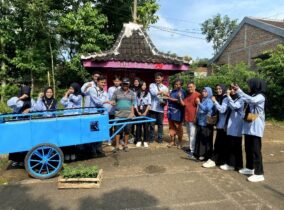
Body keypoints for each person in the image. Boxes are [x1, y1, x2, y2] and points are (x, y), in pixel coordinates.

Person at [232, 78, 267, 182]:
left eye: (250, 85)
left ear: (255, 85)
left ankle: (259, 173)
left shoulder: (260, 96)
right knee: (248, 147)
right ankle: (250, 168)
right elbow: (245, 99)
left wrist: (239, 90)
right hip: (249, 124)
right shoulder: (252, 95)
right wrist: (237, 91)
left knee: (256, 150)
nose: (248, 87)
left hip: (256, 126)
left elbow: (251, 101)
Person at [7, 84, 34, 167]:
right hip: (16, 122)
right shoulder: (15, 98)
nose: (26, 94)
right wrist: (20, 98)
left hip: (26, 122)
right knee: (16, 140)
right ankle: (15, 160)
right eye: (24, 92)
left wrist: (29, 109)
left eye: (27, 92)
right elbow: (9, 104)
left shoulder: (31, 100)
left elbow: (35, 107)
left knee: (25, 141)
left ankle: (24, 160)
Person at [203, 84, 229, 168]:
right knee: (219, 143)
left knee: (220, 144)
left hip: (224, 125)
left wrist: (215, 101)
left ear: (224, 89)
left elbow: (222, 110)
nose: (218, 90)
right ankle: (218, 160)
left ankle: (215, 160)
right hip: (220, 124)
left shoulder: (225, 98)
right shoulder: (220, 98)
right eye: (217, 89)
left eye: (220, 88)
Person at [219, 86, 244, 171]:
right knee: (231, 145)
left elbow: (234, 107)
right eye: (231, 89)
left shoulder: (241, 99)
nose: (232, 90)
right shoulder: (231, 99)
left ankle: (233, 165)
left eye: (234, 89)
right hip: (231, 126)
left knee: (235, 146)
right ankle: (235, 164)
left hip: (236, 126)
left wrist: (228, 96)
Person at [88, 75, 112, 157]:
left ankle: (98, 149)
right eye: (102, 82)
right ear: (97, 82)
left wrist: (108, 102)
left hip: (102, 115)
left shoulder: (105, 92)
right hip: (93, 114)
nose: (103, 84)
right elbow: (97, 101)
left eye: (104, 83)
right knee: (94, 132)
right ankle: (92, 150)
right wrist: (107, 101)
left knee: (100, 132)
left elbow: (106, 104)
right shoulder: (92, 90)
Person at [111, 77, 135, 152]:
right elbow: (112, 100)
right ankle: (117, 145)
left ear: (129, 84)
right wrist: (113, 102)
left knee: (127, 131)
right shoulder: (116, 92)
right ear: (122, 84)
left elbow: (132, 104)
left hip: (128, 115)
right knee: (118, 130)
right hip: (118, 115)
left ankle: (125, 145)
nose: (125, 85)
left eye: (126, 84)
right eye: (124, 84)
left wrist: (132, 113)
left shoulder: (132, 93)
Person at [60, 82, 83, 161]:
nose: (70, 90)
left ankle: (73, 153)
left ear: (76, 89)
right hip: (66, 118)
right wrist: (66, 94)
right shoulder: (69, 96)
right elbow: (62, 102)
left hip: (74, 119)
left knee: (73, 137)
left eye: (72, 88)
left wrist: (70, 94)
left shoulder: (79, 96)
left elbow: (76, 100)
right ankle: (66, 153)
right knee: (66, 137)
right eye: (69, 88)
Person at [194, 87, 214, 161]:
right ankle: (198, 153)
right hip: (200, 122)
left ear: (209, 92)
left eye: (206, 91)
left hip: (206, 123)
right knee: (199, 138)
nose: (203, 93)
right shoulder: (203, 99)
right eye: (203, 91)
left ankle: (204, 155)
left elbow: (207, 109)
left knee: (204, 140)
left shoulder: (209, 100)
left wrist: (199, 103)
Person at [182, 82, 201, 159]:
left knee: (193, 135)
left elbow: (198, 108)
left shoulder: (198, 95)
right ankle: (191, 148)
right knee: (189, 134)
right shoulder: (188, 95)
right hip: (187, 118)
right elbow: (184, 104)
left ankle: (193, 151)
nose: (189, 88)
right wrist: (179, 98)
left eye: (191, 87)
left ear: (195, 87)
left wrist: (196, 118)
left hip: (193, 119)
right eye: (188, 87)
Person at [149, 72, 169, 144]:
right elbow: (153, 93)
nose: (157, 79)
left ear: (162, 78)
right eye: (156, 78)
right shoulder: (152, 85)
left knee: (160, 125)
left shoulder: (165, 87)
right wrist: (161, 92)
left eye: (158, 78)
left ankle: (160, 139)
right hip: (152, 108)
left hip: (160, 109)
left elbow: (166, 97)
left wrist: (165, 98)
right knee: (151, 124)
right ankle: (151, 138)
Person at [166, 79, 186, 149]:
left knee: (178, 128)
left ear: (181, 85)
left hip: (178, 113)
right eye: (175, 84)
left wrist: (170, 99)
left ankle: (180, 142)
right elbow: (169, 98)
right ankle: (172, 141)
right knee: (171, 127)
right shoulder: (172, 92)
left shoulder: (182, 92)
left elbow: (181, 102)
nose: (177, 85)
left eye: (178, 84)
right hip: (170, 112)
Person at [134, 80, 151, 148]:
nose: (144, 86)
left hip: (145, 109)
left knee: (146, 126)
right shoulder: (136, 93)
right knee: (138, 126)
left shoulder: (148, 93)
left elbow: (149, 104)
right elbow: (135, 103)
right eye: (143, 85)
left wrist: (145, 112)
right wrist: (137, 111)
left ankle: (145, 140)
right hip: (138, 109)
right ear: (140, 86)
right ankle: (138, 140)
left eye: (145, 85)